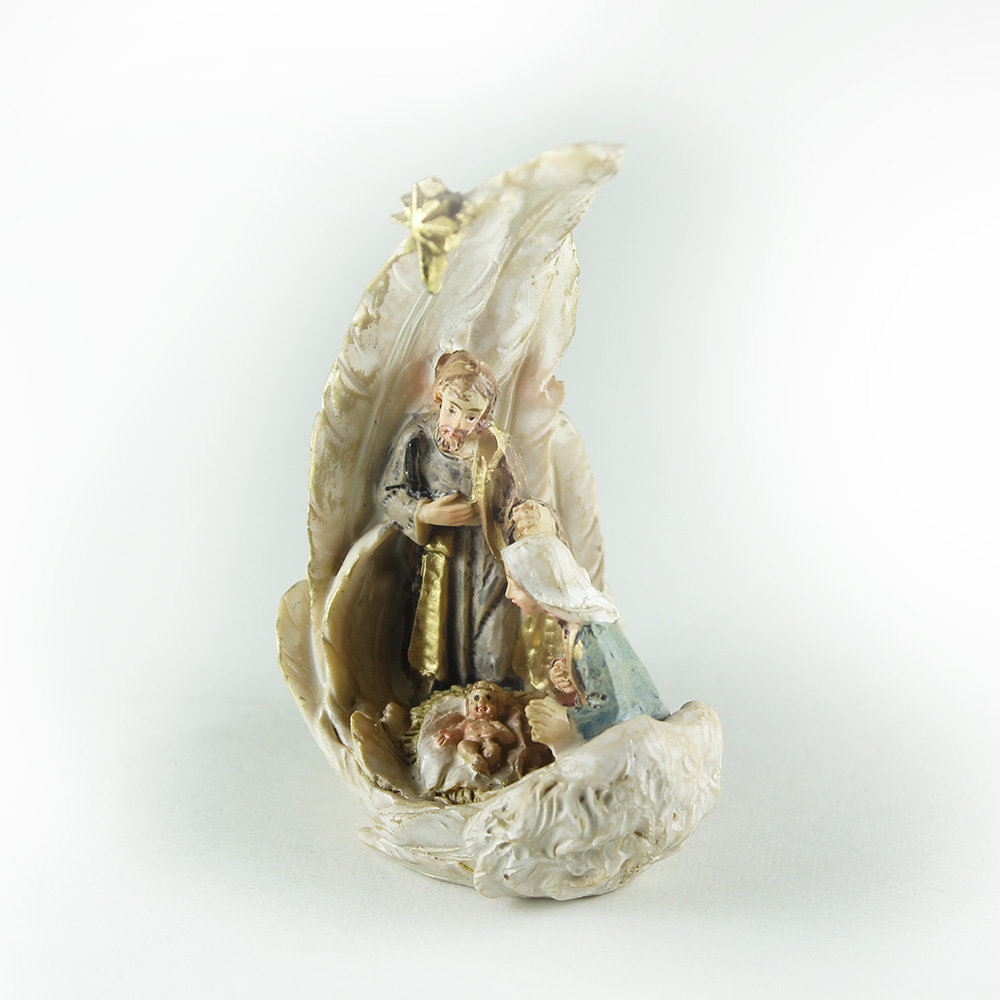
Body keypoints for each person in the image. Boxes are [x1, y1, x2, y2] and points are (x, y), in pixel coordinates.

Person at [379, 351, 552, 686]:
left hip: (490, 558)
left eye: (471, 416)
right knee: (442, 641)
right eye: (452, 410)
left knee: (492, 649)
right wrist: (425, 512)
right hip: (442, 558)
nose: (458, 423)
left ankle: (491, 694)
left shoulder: (495, 446)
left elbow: (518, 500)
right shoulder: (419, 437)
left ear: (484, 415)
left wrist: (532, 519)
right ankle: (447, 698)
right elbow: (390, 493)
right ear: (439, 397)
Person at [500, 533, 669, 754]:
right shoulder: (572, 625)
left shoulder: (590, 634)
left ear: (539, 584)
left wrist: (564, 721)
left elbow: (612, 708)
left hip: (630, 740)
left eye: (515, 584)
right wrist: (566, 673)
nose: (508, 593)